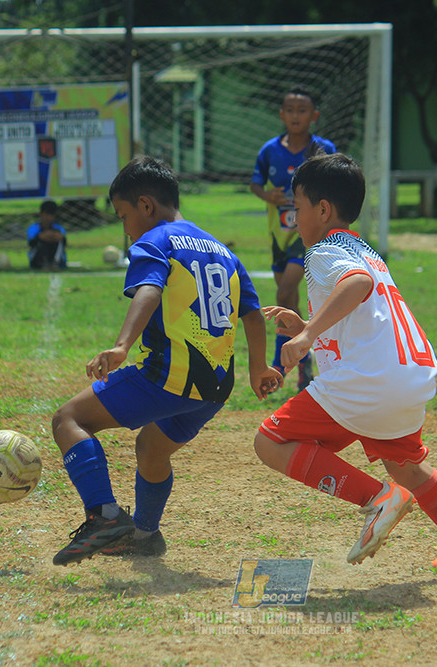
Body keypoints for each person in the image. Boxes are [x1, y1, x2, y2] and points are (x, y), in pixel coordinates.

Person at [253, 153, 437, 579]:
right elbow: (366, 314)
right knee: (409, 467)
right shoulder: (364, 250)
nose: (294, 216)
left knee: (271, 441)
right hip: (409, 375)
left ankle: (378, 499)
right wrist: (310, 326)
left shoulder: (324, 251)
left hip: (372, 383)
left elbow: (357, 285)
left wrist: (308, 334)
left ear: (324, 210)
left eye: (297, 206)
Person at [50, 156, 282, 565]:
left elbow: (150, 289)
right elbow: (251, 311)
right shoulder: (222, 250)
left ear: (145, 206)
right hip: (214, 387)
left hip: (168, 376)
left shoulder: (156, 240)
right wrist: (259, 367)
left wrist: (122, 346)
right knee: (151, 449)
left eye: (123, 216)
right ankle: (145, 534)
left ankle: (104, 515)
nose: (124, 228)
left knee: (69, 419)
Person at [250, 86, 337, 390]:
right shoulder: (270, 150)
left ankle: (280, 365)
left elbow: (335, 182)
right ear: (281, 114)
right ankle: (304, 358)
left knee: (286, 290)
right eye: (290, 109)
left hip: (309, 234)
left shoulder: (323, 147)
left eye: (302, 110)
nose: (295, 115)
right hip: (280, 234)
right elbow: (255, 183)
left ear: (313, 116)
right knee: (288, 299)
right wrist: (267, 195)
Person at [27, 200, 67, 270]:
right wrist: (40, 237)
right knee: (41, 240)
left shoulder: (59, 228)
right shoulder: (34, 228)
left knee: (58, 239)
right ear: (41, 214)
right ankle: (43, 262)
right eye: (47, 214)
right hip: (36, 259)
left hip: (54, 255)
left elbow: (64, 243)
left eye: (52, 215)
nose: (49, 218)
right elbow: (31, 243)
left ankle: (56, 262)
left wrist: (57, 237)